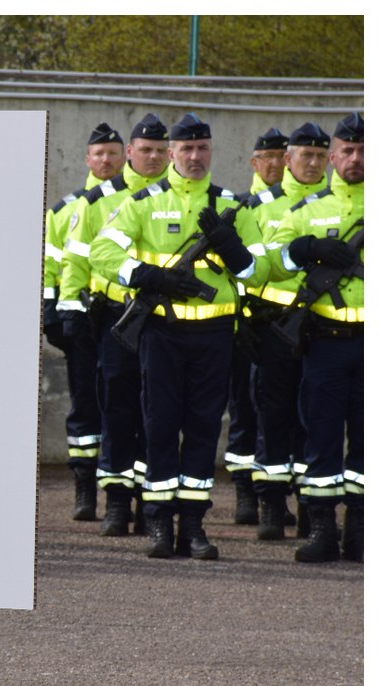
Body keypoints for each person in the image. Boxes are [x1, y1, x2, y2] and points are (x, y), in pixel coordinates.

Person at [91, 113, 269, 559]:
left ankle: (193, 524)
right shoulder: (143, 202)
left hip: (214, 334)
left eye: (202, 149)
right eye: (186, 149)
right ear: (171, 153)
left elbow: (260, 271)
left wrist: (230, 246)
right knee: (160, 424)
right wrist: (150, 277)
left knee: (205, 426)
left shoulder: (234, 205)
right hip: (162, 332)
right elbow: (102, 251)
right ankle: (157, 522)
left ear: (212, 152)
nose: (194, 156)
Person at [61, 112, 170, 536]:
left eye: (162, 151)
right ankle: (116, 503)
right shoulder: (95, 201)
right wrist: (69, 311)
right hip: (116, 318)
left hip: (166, 320)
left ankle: (150, 503)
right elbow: (74, 257)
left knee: (156, 410)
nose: (154, 158)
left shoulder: (174, 198)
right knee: (117, 408)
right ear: (131, 153)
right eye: (146, 150)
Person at [265, 112, 363, 563]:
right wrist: (306, 249)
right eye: (347, 151)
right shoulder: (306, 210)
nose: (355, 159)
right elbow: (274, 261)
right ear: (332, 157)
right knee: (320, 437)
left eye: (364, 151)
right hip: (325, 339)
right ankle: (321, 528)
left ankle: (361, 529)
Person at [244, 122, 331, 542]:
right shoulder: (260, 207)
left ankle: (314, 507)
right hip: (274, 327)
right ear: (286, 159)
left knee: (317, 419)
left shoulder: (341, 206)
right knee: (273, 415)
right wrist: (249, 317)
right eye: (304, 156)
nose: (312, 163)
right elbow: (248, 270)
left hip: (325, 328)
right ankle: (272, 505)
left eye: (319, 156)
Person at [43, 122, 126, 521]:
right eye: (99, 154)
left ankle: (118, 486)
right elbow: (50, 267)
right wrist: (52, 314)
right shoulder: (63, 210)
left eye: (113, 152)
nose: (106, 159)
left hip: (119, 319)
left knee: (120, 402)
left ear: (125, 156)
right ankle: (84, 488)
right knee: (83, 405)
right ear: (87, 159)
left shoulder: (133, 200)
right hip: (79, 320)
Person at [222, 126, 291, 526]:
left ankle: (281, 495)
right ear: (254, 162)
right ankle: (246, 490)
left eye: (283, 158)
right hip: (249, 323)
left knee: (286, 413)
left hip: (288, 321)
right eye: (269, 158)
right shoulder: (243, 207)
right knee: (244, 407)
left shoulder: (301, 205)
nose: (276, 164)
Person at [248, 127, 289, 193]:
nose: (276, 164)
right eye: (269, 156)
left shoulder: (302, 200)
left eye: (282, 156)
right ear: (254, 164)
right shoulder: (245, 202)